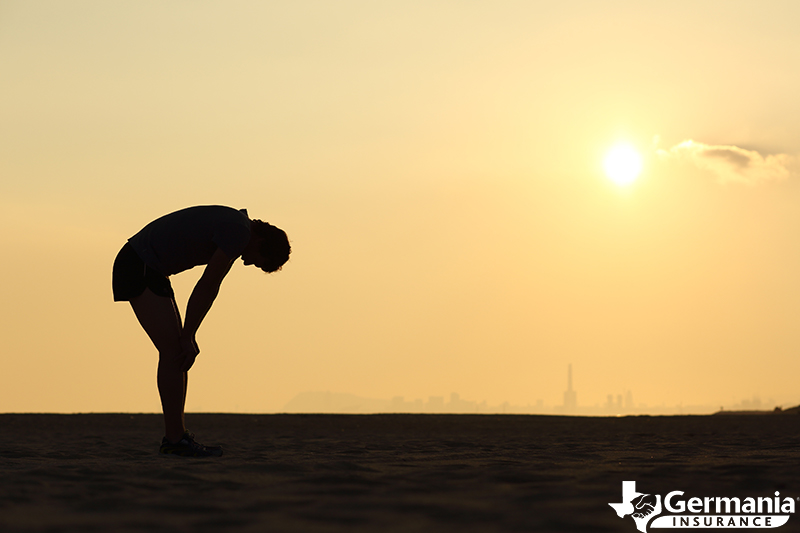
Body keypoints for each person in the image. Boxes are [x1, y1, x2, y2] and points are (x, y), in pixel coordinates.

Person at [112, 205, 290, 457]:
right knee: (174, 352)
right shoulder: (238, 232)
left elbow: (210, 287)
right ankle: (174, 440)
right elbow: (207, 285)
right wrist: (188, 335)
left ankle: (177, 437)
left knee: (177, 354)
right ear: (261, 240)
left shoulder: (238, 228)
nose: (248, 262)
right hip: (138, 263)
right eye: (257, 261)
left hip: (147, 267)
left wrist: (188, 334)